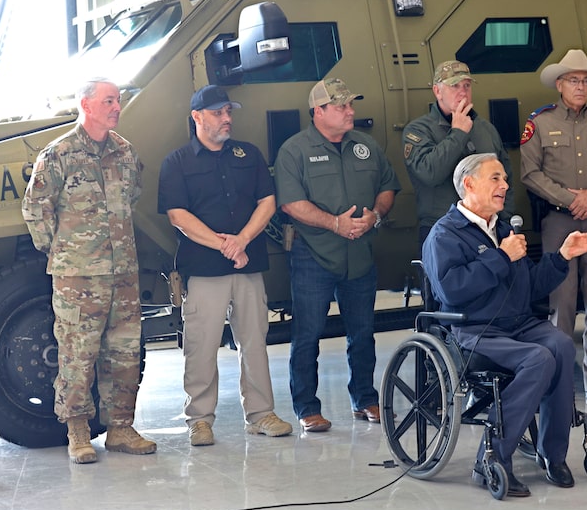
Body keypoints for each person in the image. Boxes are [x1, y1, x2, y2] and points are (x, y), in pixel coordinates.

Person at [423, 153, 587, 497]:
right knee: (538, 358)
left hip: (518, 324)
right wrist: (501, 256)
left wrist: (562, 256)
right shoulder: (444, 234)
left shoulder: (504, 228)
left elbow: (531, 287)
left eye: (504, 179)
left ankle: (552, 455)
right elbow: (451, 290)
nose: (505, 186)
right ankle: (490, 459)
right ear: (469, 184)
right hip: (474, 332)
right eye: (495, 178)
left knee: (563, 345)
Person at [22, 78, 156, 463]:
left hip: (123, 275)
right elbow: (36, 210)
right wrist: (66, 253)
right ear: (87, 104)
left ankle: (120, 428)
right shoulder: (59, 154)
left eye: (118, 100)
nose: (117, 107)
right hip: (78, 279)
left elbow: (132, 196)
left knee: (125, 353)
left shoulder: (125, 153)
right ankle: (78, 431)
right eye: (109, 101)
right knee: (78, 355)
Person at [158, 85, 292, 446]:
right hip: (204, 269)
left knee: (255, 342)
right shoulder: (178, 161)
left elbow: (267, 201)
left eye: (229, 111)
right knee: (201, 347)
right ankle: (199, 420)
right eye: (218, 112)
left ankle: (261, 414)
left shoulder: (247, 154)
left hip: (248, 265)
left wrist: (243, 240)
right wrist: (227, 245)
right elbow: (178, 215)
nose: (227, 118)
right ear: (197, 117)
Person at [275, 78, 401, 432]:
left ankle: (365, 398)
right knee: (308, 334)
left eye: (351, 105)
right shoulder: (294, 150)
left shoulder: (366, 146)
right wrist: (335, 224)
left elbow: (388, 186)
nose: (351, 112)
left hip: (359, 253)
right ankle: (306, 407)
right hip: (313, 255)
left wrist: (375, 215)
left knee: (362, 333)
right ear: (319, 112)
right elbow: (290, 202)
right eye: (342, 106)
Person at [520, 49, 587, 404]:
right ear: (559, 84)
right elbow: (529, 173)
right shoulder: (541, 122)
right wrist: (571, 199)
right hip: (559, 220)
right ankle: (557, 381)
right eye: (573, 80)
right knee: (562, 302)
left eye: (585, 80)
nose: (581, 86)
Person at [403, 60, 514, 249]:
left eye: (467, 85)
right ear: (437, 91)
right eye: (454, 85)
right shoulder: (418, 130)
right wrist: (458, 134)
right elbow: (430, 173)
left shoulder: (485, 128)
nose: (462, 91)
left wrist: (505, 221)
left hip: (487, 227)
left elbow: (506, 178)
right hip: (442, 230)